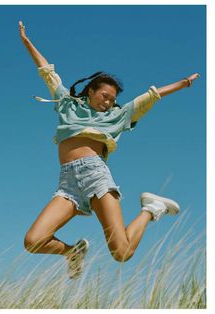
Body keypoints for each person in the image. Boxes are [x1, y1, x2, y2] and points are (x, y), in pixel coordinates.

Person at [19, 21, 200, 279]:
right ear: (90, 91)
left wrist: (183, 83)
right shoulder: (67, 104)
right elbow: (47, 71)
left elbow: (150, 97)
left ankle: (151, 209)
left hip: (96, 175)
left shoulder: (118, 115)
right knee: (33, 240)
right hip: (67, 182)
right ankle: (72, 252)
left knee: (121, 252)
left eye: (112, 99)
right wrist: (27, 42)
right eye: (104, 96)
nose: (108, 102)